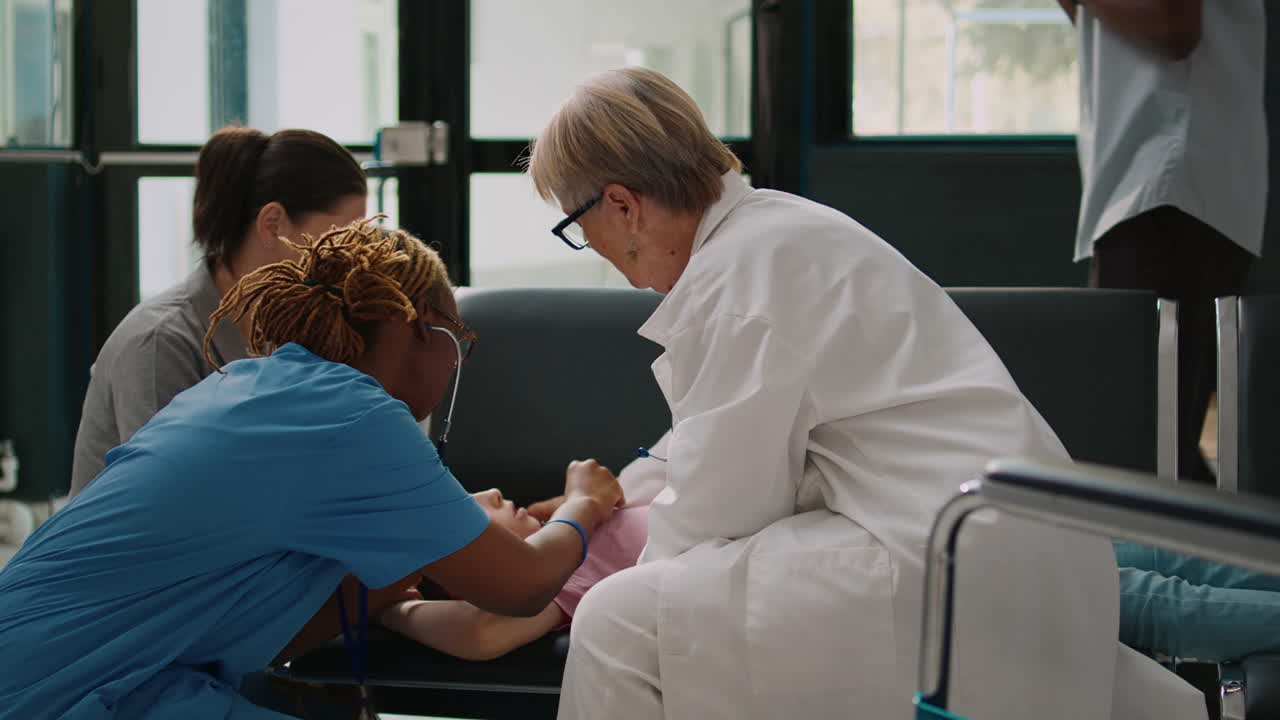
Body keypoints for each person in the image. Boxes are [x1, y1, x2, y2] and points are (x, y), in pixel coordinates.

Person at [526, 67, 1149, 720]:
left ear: (623, 205)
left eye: (577, 226)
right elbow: (706, 444)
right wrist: (617, 496)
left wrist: (572, 577)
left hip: (944, 555)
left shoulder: (736, 282)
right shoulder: (770, 233)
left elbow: (720, 511)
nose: (599, 253)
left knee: (617, 623)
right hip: (979, 538)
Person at [0, 221, 624, 719]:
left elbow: (252, 626)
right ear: (420, 330)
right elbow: (521, 587)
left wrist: (422, 558)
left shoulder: (251, 386)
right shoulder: (356, 417)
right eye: (456, 341)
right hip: (72, 695)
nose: (457, 364)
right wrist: (582, 502)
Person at [70, 126, 370, 497]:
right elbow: (165, 507)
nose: (353, 262)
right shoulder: (161, 341)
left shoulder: (289, 331)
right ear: (273, 224)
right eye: (339, 240)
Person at [1059, 0, 1266, 484]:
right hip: (1163, 176)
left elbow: (1172, 24)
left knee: (1136, 454)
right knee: (1156, 451)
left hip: (1169, 177)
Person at [381, 444, 668, 660]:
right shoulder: (565, 570)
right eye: (464, 506)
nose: (492, 492)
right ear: (465, 581)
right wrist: (387, 610)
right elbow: (482, 632)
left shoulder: (585, 529)